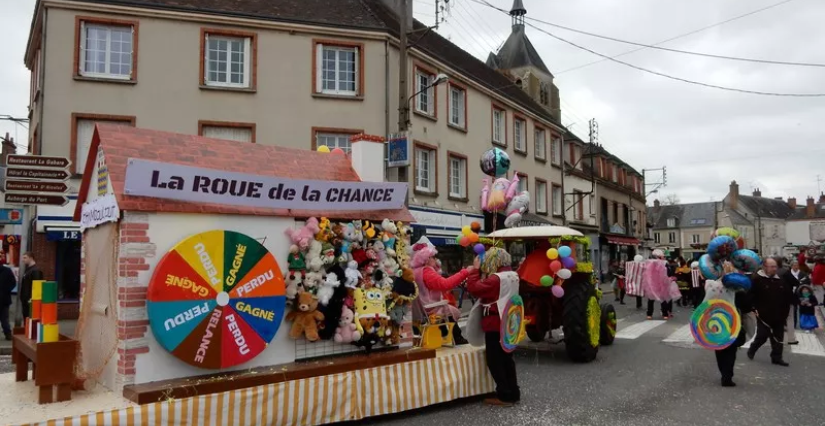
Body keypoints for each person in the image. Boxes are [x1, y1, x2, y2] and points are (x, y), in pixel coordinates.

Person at [466, 247, 520, 406]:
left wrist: (475, 270)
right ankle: (513, 392)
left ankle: (504, 394)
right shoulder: (513, 275)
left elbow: (474, 288)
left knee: (495, 360)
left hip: (495, 322)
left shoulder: (497, 278)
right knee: (507, 359)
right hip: (509, 321)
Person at [411, 243, 471, 345]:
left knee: (445, 308)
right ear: (427, 258)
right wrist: (464, 272)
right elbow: (445, 284)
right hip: (430, 307)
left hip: (421, 308)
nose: (435, 259)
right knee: (447, 309)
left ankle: (447, 335)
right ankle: (457, 337)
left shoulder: (416, 271)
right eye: (433, 256)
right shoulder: (426, 272)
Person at [747, 258, 794, 366]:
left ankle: (777, 357)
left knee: (778, 337)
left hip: (779, 315)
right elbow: (750, 296)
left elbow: (787, 297)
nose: (774, 269)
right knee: (762, 336)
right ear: (765, 267)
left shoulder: (781, 280)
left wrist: (785, 313)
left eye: (775, 267)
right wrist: (753, 308)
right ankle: (753, 348)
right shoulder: (757, 280)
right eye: (772, 267)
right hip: (763, 315)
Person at [715, 291, 750, 387]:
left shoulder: (716, 289)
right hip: (734, 324)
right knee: (731, 351)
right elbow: (747, 307)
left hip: (718, 322)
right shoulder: (740, 292)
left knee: (720, 350)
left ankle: (724, 374)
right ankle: (727, 376)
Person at [644, 250, 676, 320]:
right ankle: (665, 314)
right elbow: (669, 273)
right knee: (663, 299)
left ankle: (649, 314)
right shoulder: (664, 263)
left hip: (652, 284)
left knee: (651, 299)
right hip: (662, 283)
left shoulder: (649, 263)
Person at [20, 252, 43, 319]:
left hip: (30, 301)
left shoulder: (36, 271)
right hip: (26, 300)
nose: (23, 260)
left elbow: (37, 287)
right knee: (26, 319)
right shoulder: (29, 270)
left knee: (30, 320)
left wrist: (31, 299)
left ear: (31, 258)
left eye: (25, 258)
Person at [0, 261, 16, 340]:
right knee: (4, 318)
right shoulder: (7, 270)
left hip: (4, 298)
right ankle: (8, 334)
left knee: (4, 318)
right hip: (5, 299)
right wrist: (7, 290)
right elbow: (13, 282)